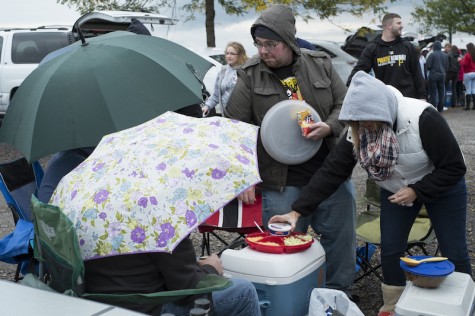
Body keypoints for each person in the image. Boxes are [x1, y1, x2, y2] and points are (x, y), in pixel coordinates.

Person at [270, 70, 472, 316]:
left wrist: (417, 191)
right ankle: (393, 305)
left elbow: (454, 167)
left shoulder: (423, 118)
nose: (362, 125)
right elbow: (331, 172)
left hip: (443, 186)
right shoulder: (357, 128)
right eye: (356, 121)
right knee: (390, 247)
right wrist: (297, 211)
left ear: (384, 111)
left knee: (454, 250)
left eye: (367, 120)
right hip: (396, 189)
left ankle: (464, 304)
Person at [224, 4, 357, 295]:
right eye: (259, 44)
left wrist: (330, 126)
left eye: (271, 44)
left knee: (340, 241)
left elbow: (345, 105)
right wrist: (244, 176)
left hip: (329, 174)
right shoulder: (249, 75)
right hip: (281, 184)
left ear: (289, 41)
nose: (263, 51)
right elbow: (234, 129)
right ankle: (290, 297)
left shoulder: (319, 63)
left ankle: (336, 296)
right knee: (281, 247)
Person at [85, 239, 261, 316]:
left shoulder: (89, 217)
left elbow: (134, 267)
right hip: (147, 308)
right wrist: (210, 268)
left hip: (97, 305)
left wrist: (191, 264)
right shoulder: (160, 222)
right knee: (244, 292)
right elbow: (188, 291)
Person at [347, 13, 426, 100]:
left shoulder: (407, 46)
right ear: (389, 26)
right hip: (386, 100)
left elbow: (417, 74)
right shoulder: (373, 48)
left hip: (407, 99)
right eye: (398, 23)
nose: (402, 26)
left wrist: (422, 97)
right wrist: (349, 87)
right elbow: (359, 71)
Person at [201, 41, 248, 117]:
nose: (228, 56)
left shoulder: (247, 71)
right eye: (227, 53)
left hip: (243, 116)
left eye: (232, 54)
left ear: (240, 55)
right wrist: (207, 106)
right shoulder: (222, 71)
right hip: (226, 115)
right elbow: (216, 96)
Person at [426, 40, 448, 112]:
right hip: (442, 75)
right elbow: (447, 66)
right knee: (441, 92)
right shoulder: (445, 55)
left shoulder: (432, 55)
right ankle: (440, 108)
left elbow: (428, 66)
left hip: (433, 75)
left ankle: (434, 107)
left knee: (433, 92)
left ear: (434, 47)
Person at [461, 42, 475, 110]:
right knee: (474, 89)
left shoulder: (467, 55)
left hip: (468, 73)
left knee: (468, 90)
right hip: (474, 73)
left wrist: (461, 61)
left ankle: (468, 106)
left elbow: (465, 64)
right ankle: (474, 106)